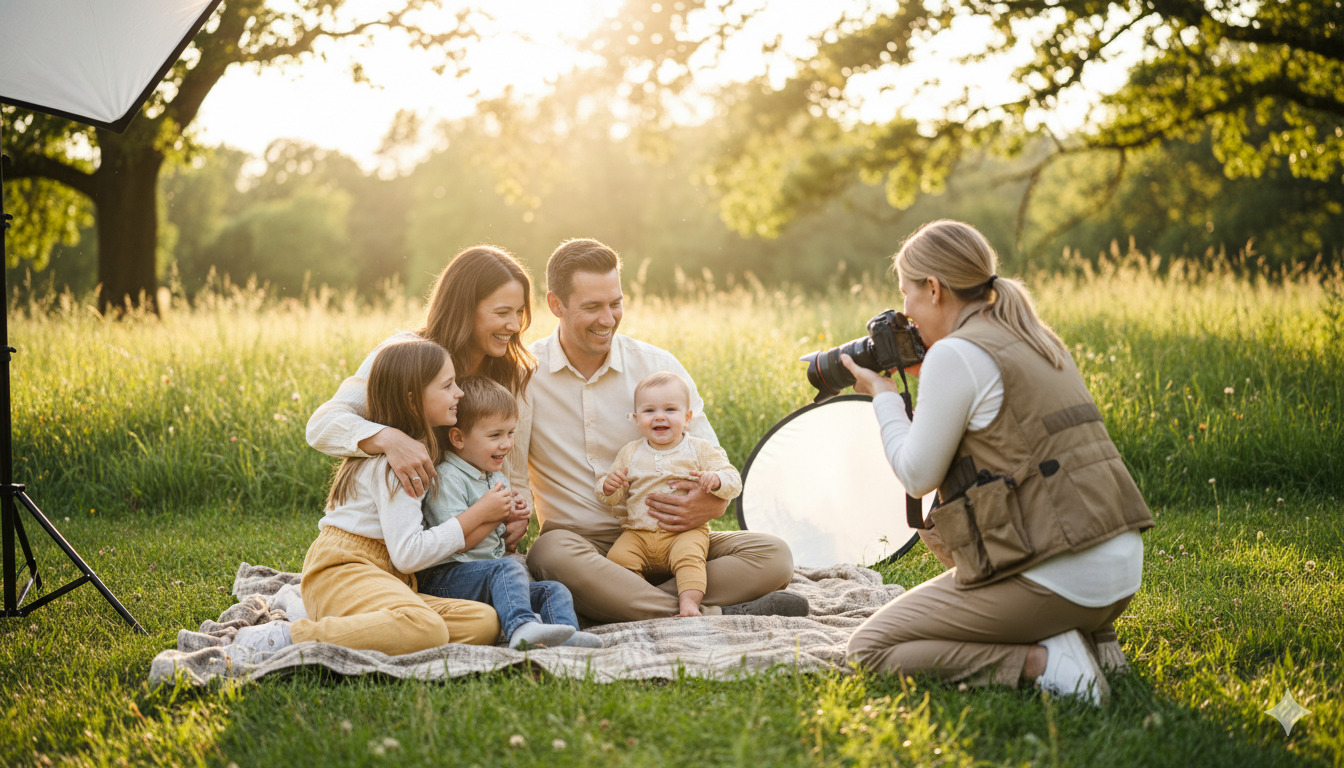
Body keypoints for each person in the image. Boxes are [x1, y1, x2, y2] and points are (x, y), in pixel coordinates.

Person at [840, 219, 1154, 706]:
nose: (906, 312)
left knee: (868, 648)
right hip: (1118, 573)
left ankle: (1044, 663)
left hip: (1061, 580)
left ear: (934, 289)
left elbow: (917, 475)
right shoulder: (1033, 335)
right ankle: (1094, 643)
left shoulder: (958, 356)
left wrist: (883, 395)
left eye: (906, 294)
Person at [514, 238, 807, 622]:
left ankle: (616, 603)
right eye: (592, 307)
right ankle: (711, 610)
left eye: (615, 304)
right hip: (583, 546)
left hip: (674, 537)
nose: (608, 319)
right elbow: (511, 474)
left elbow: (712, 463)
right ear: (556, 305)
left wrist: (711, 502)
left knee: (773, 555)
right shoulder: (524, 376)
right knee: (548, 554)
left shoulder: (657, 367)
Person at [224, 340, 501, 660]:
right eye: (448, 385)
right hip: (341, 570)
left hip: (386, 577)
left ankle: (355, 625)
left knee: (483, 621)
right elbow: (408, 555)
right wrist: (479, 514)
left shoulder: (412, 450)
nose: (459, 393)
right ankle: (291, 635)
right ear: (413, 401)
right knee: (428, 628)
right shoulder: (396, 464)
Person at [307, 245, 536, 551]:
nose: (514, 325)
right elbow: (322, 425)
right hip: (407, 535)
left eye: (519, 312)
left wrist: (519, 513)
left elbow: (513, 466)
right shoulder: (407, 356)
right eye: (502, 312)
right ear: (465, 309)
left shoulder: (511, 375)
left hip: (467, 541)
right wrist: (390, 439)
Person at [416, 376, 603, 648]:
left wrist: (515, 515)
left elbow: (501, 526)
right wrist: (495, 516)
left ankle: (565, 636)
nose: (506, 444)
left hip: (486, 575)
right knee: (507, 568)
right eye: (495, 435)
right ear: (458, 438)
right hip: (447, 576)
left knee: (553, 589)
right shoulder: (447, 478)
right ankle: (521, 628)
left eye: (510, 433)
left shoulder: (491, 472)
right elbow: (454, 542)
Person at [596, 371, 743, 617]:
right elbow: (611, 498)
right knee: (618, 560)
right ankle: (644, 597)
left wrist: (716, 480)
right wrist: (609, 486)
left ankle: (688, 605)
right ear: (636, 418)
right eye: (649, 411)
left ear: (687, 418)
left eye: (670, 410)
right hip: (637, 533)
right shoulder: (630, 452)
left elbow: (733, 479)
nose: (659, 417)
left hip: (684, 532)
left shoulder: (698, 449)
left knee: (690, 560)